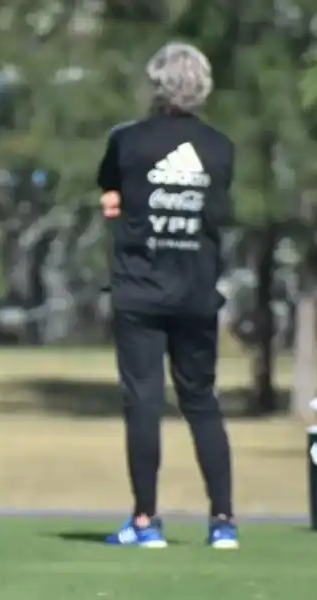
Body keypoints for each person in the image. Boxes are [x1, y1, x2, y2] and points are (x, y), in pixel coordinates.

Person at [97, 41, 238, 549]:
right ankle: (223, 522)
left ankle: (145, 521)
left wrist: (121, 208)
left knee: (144, 404)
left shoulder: (128, 141)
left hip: (140, 292)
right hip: (198, 292)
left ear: (156, 83)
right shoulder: (220, 147)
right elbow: (217, 213)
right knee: (202, 402)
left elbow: (109, 193)